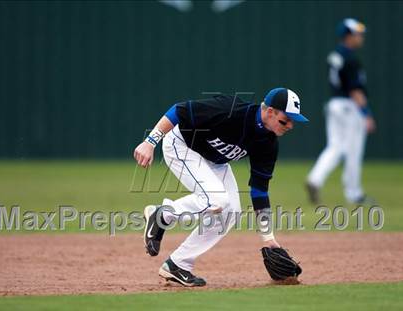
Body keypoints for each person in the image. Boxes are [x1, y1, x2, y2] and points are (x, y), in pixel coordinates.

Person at [134, 88, 308, 287]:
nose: (290, 125)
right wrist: (150, 142)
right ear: (270, 112)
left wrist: (268, 238)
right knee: (217, 200)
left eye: (294, 121)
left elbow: (259, 190)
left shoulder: (268, 143)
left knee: (231, 211)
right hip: (181, 144)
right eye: (286, 120)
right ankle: (162, 215)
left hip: (214, 161)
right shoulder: (230, 110)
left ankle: (177, 264)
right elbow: (179, 110)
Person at [306, 18, 376, 205]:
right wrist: (366, 113)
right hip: (349, 106)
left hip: (334, 104)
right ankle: (354, 193)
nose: (360, 37)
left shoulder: (335, 55)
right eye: (357, 34)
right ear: (347, 36)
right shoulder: (350, 58)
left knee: (335, 146)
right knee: (353, 151)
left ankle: (315, 178)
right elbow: (355, 90)